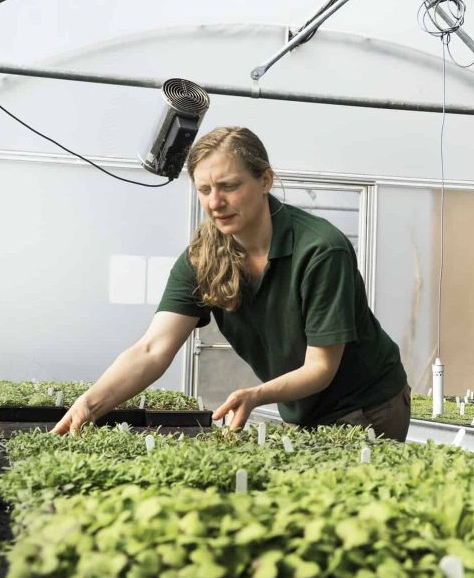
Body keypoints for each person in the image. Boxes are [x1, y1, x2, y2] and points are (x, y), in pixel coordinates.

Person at [54, 126, 411, 440]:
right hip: (304, 410)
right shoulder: (202, 257)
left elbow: (320, 368)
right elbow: (152, 349)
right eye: (204, 189)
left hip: (368, 404)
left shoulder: (320, 251)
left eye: (229, 186)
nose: (215, 202)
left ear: (265, 181)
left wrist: (256, 395)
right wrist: (89, 404)